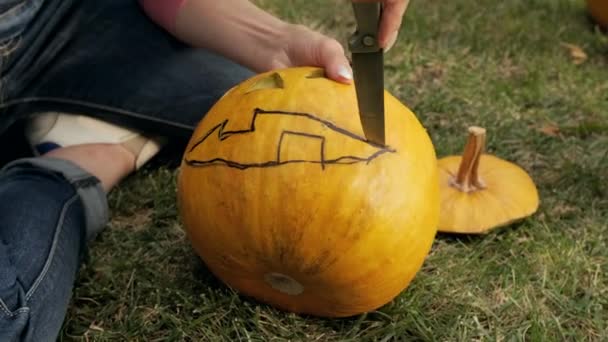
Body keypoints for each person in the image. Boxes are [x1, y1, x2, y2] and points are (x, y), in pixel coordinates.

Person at [0, 0, 409, 340]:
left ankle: (67, 113)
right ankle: (71, 167)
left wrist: (274, 41)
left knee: (250, 106)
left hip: (53, 17)